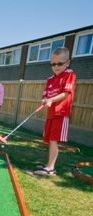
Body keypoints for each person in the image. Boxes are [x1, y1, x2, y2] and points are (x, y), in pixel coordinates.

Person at [34, 47, 76, 176]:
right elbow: (45, 95)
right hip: (51, 114)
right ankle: (48, 164)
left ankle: (51, 168)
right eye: (53, 64)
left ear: (67, 63)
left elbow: (65, 94)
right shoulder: (50, 79)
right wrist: (44, 101)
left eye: (59, 63)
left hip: (61, 113)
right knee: (49, 139)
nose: (56, 66)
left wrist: (51, 100)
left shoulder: (69, 74)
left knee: (53, 140)